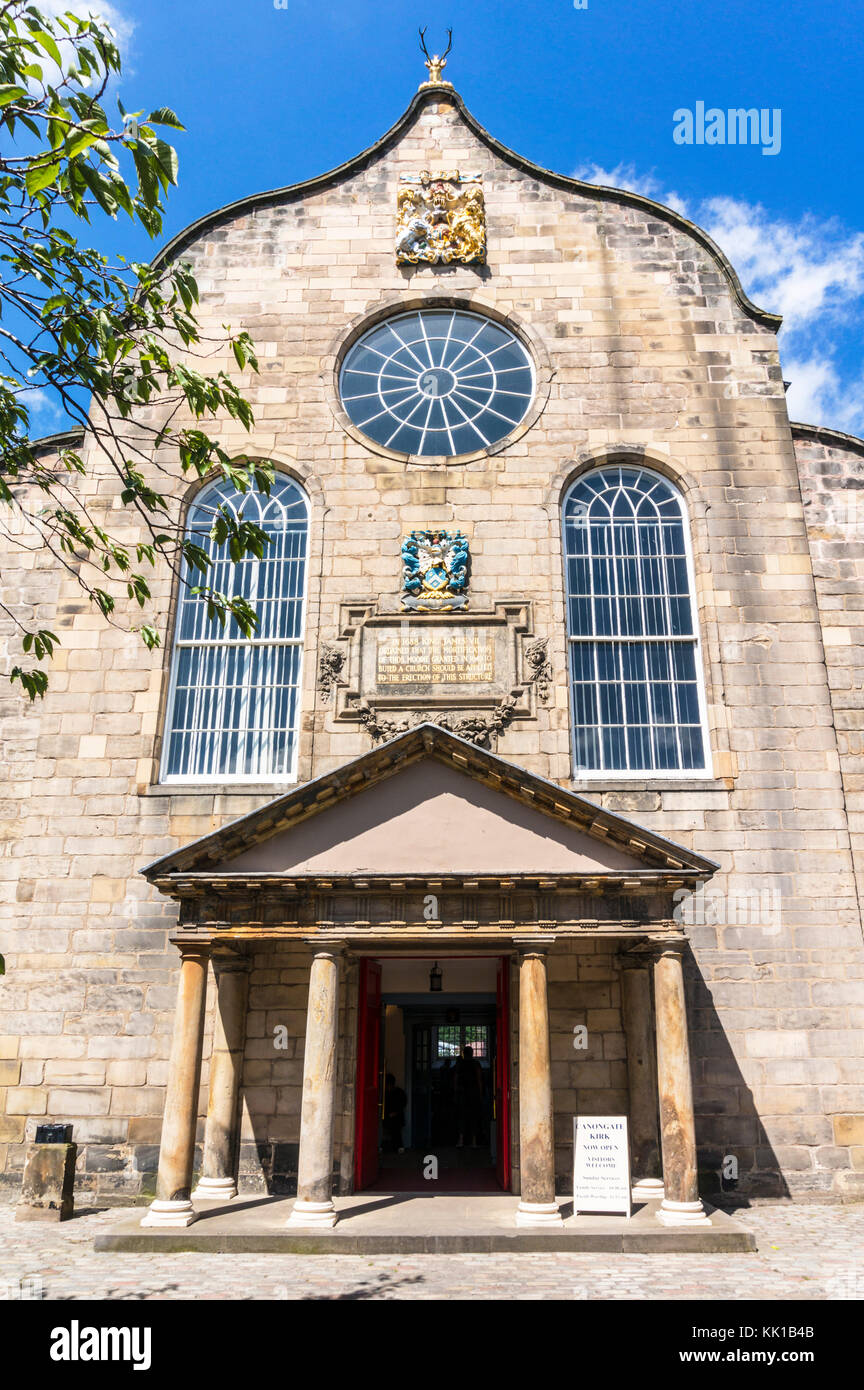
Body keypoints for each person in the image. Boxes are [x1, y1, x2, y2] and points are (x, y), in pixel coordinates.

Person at [454, 1044, 484, 1148]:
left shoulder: (460, 1064)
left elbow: (456, 1079)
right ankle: (474, 1141)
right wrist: (480, 1094)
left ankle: (461, 1140)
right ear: (472, 1053)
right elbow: (479, 1079)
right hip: (473, 1093)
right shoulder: (476, 1064)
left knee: (462, 1117)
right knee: (473, 1117)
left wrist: (455, 1092)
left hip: (462, 1093)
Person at [383, 1072, 407, 1153]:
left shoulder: (399, 1093)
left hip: (397, 1117)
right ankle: (393, 1148)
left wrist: (395, 1112)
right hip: (390, 1117)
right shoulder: (386, 1093)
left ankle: (398, 1147)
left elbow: (403, 1104)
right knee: (390, 1132)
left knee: (396, 1132)